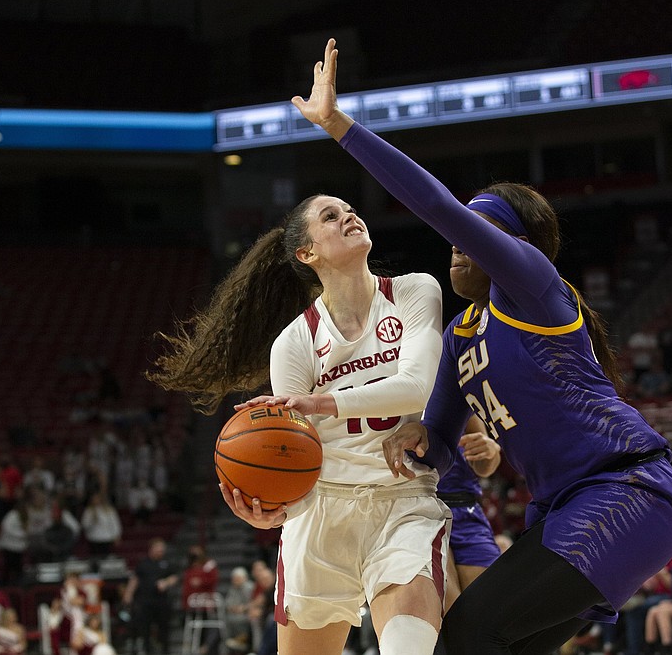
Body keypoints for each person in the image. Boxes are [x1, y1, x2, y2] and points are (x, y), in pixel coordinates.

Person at [294, 38, 672, 655]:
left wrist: (339, 126)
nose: (459, 241)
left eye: (480, 230)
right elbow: (440, 448)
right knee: (482, 645)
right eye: (462, 230)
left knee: (474, 635)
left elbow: (435, 205)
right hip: (562, 511)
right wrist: (418, 443)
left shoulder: (533, 287)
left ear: (516, 246)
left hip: (625, 493)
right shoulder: (461, 334)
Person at [146, 129, 447, 653]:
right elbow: (290, 450)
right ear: (307, 252)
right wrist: (273, 507)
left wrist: (321, 401)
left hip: (402, 504)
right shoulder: (293, 343)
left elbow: (416, 388)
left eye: (351, 209)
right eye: (331, 216)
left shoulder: (416, 291)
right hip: (321, 516)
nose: (350, 216)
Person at [436, 414, 502, 615]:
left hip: (467, 510)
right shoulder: (397, 391)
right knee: (450, 617)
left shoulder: (455, 395)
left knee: (492, 612)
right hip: (422, 510)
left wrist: (490, 451)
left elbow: (484, 467)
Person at [121, 537, 179, 655]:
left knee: (164, 628)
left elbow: (175, 577)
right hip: (145, 601)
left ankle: (165, 651)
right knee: (145, 628)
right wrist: (128, 594)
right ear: (151, 549)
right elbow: (135, 579)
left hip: (162, 601)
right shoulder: (143, 563)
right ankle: (147, 650)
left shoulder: (167, 563)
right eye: (158, 548)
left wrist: (166, 583)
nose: (161, 551)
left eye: (162, 549)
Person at [80, 492, 122, 558]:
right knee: (95, 558)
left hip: (106, 538)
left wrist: (117, 535)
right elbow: (84, 525)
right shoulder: (88, 511)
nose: (96, 500)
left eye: (98, 498)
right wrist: (92, 520)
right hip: (94, 538)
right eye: (94, 499)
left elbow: (115, 524)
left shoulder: (110, 510)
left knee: (106, 558)